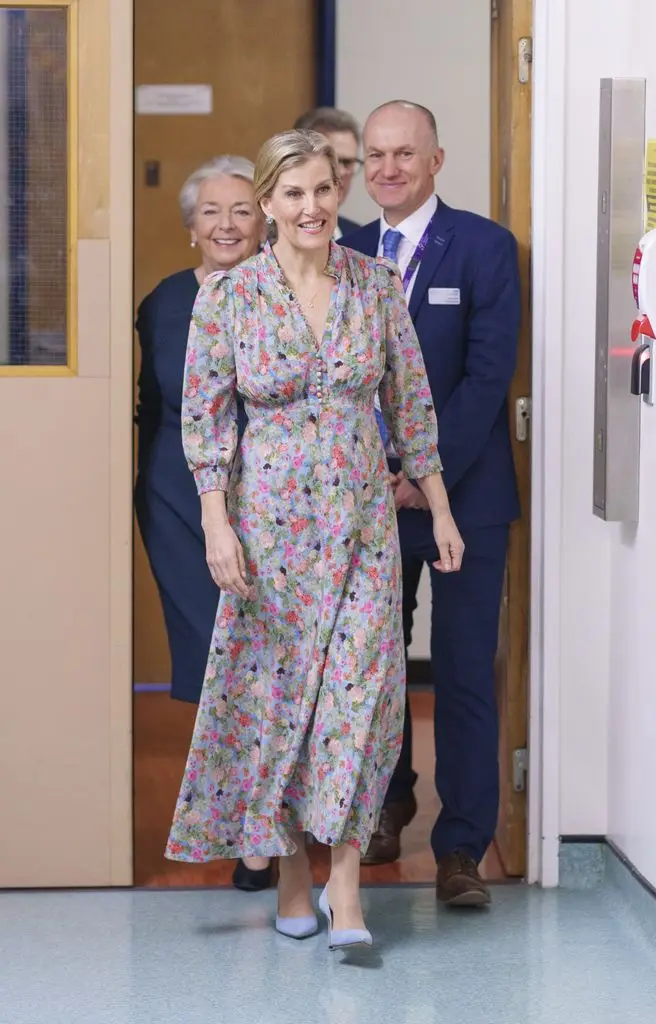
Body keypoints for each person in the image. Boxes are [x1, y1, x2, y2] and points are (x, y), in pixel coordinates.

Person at [165, 128, 464, 949]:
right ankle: (292, 873)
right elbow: (204, 418)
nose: (310, 207)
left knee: (361, 704)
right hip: (269, 534)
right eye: (292, 193)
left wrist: (437, 507)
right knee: (279, 706)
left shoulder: (373, 284)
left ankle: (345, 885)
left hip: (363, 527)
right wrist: (215, 521)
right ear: (267, 204)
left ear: (341, 195)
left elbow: (412, 404)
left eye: (324, 190)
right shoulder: (228, 297)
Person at [342, 101, 521, 907]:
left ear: (436, 160)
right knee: (373, 674)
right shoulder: (340, 249)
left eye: (403, 155)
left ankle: (460, 850)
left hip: (466, 500)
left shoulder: (483, 248)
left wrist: (426, 469)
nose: (387, 169)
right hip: (366, 501)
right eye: (374, 155)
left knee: (460, 673)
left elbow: (488, 376)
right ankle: (386, 803)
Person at [134, 154, 273, 893]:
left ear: (265, 222)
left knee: (265, 669)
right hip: (178, 505)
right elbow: (149, 410)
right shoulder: (160, 304)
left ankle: (262, 832)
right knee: (217, 668)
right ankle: (244, 828)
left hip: (275, 502)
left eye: (241, 209)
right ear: (190, 228)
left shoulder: (286, 295)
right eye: (210, 212)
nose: (226, 224)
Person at [293, 107, 363, 236]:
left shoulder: (358, 236)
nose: (341, 172)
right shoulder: (266, 237)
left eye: (347, 162)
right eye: (332, 161)